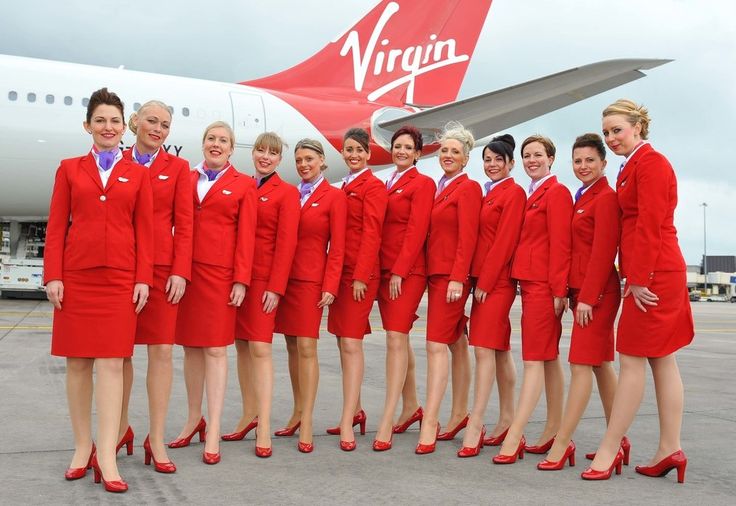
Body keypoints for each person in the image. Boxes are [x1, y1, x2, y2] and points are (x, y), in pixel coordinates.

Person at [44, 87, 153, 493]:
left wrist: (143, 277)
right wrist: (53, 274)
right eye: (100, 120)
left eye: (114, 121)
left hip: (120, 280)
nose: (108, 127)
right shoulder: (69, 169)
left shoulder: (137, 174)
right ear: (88, 125)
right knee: (77, 365)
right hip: (77, 277)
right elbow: (56, 226)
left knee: (111, 365)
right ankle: (81, 448)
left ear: (125, 127)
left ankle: (106, 455)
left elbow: (146, 230)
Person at [582, 100, 693, 482]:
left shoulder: (651, 163)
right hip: (653, 270)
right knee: (662, 360)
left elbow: (648, 224)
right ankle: (670, 449)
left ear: (638, 127)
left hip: (656, 273)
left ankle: (611, 449)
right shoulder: (633, 167)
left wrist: (639, 278)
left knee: (631, 360)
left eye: (618, 130)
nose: (611, 139)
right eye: (607, 132)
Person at [170, 121, 257, 465]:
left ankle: (214, 427)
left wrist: (241, 280)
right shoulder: (188, 178)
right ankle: (194, 418)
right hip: (188, 275)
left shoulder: (244, 184)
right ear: (203, 144)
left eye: (223, 140)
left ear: (232, 149)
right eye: (211, 139)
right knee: (190, 348)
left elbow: (246, 236)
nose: (216, 144)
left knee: (216, 351)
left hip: (221, 277)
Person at [117, 100, 193, 474]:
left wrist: (181, 270)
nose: (158, 129)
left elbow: (186, 223)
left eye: (165, 124)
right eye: (151, 121)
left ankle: (157, 438)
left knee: (161, 352)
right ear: (135, 123)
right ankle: (119, 428)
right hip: (122, 268)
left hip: (163, 271)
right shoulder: (116, 162)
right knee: (119, 354)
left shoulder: (178, 168)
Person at [538, 133, 621, 471]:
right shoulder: (583, 195)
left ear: (603, 163)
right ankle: (619, 440)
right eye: (578, 161)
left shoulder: (606, 198)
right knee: (601, 365)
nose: (583, 166)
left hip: (596, 295)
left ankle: (562, 442)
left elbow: (604, 253)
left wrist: (587, 298)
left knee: (580, 365)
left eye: (590, 160)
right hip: (582, 293)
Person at [494, 134, 572, 464]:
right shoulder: (531, 193)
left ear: (551, 158)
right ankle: (554, 432)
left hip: (543, 286)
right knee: (549, 359)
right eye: (526, 156)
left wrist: (559, 290)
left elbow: (561, 244)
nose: (531, 160)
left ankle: (515, 435)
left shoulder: (557, 192)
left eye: (538, 154)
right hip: (528, 285)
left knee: (533, 360)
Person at [274, 139, 347, 453]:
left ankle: (308, 421)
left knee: (306, 346)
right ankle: (297, 410)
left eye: (309, 159)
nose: (303, 165)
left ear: (322, 162)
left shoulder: (334, 196)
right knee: (291, 345)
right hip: (286, 280)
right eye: (299, 160)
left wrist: (330, 285)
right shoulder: (291, 193)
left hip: (311, 282)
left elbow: (338, 246)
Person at [231, 133, 299, 458]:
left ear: (279, 159)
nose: (265, 157)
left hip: (264, 281)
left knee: (260, 348)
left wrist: (276, 287)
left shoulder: (286, 193)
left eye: (272, 153)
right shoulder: (243, 185)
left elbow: (287, 244)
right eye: (260, 150)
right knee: (241, 346)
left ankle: (264, 425)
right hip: (238, 279)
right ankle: (248, 413)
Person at [415, 122, 481, 455]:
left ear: (466, 158)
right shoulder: (441, 186)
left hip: (450, 278)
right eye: (444, 150)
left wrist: (458, 277)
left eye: (456, 152)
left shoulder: (467, 189)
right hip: (435, 274)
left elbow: (468, 237)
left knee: (435, 346)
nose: (448, 156)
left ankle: (431, 420)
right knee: (456, 343)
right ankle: (459, 415)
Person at [461, 134, 525, 457]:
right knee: (499, 351)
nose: (492, 165)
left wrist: (484, 282)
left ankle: (477, 422)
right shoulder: (489, 193)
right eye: (487, 159)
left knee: (483, 350)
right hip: (482, 283)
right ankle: (508, 420)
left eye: (499, 160)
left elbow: (504, 242)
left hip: (495, 284)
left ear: (511, 164)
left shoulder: (513, 193)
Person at [373, 125, 435, 450]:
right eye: (397, 146)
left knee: (396, 339)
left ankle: (386, 417)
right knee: (399, 338)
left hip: (406, 273)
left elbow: (416, 230)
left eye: (407, 147)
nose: (400, 151)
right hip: (385, 270)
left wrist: (399, 271)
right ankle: (411, 406)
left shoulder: (422, 184)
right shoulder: (388, 182)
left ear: (418, 153)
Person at [327, 127, 387, 451]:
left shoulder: (373, 186)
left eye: (358, 150)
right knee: (342, 343)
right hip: (340, 273)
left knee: (351, 344)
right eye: (347, 150)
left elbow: (372, 233)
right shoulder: (344, 186)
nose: (352, 155)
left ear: (368, 153)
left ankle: (348, 418)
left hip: (359, 275)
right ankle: (357, 410)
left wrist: (362, 275)